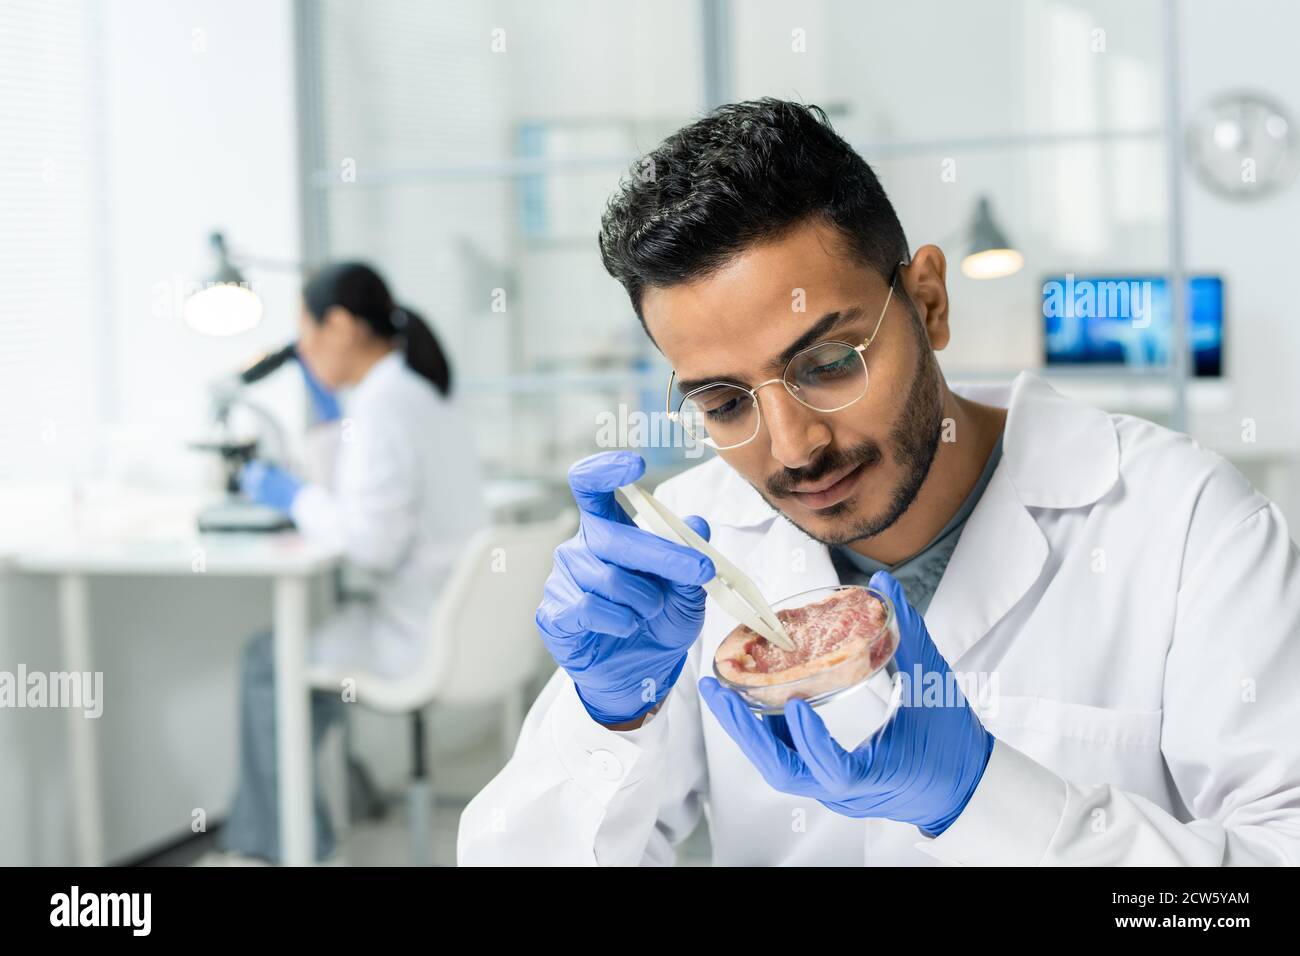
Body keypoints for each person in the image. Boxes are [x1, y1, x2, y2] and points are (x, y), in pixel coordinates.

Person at [458, 99, 1300, 866]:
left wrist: (989, 802)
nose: (793, 448)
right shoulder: (685, 562)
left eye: (828, 363)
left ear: (928, 300)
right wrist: (607, 722)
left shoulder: (1184, 525)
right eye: (723, 400)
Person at [218, 262, 487, 863]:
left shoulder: (382, 403)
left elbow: (371, 545)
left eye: (307, 336)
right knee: (305, 674)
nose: (305, 353)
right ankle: (299, 818)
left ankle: (286, 846)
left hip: (416, 631)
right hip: (457, 616)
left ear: (339, 326)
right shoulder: (418, 389)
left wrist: (295, 497)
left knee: (268, 662)